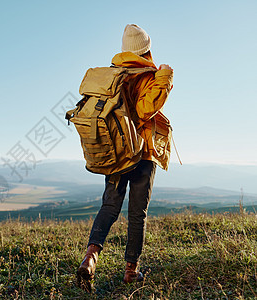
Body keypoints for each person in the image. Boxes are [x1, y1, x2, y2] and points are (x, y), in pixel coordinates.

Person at [76, 24, 174, 291]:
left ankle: (90, 258)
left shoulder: (114, 74)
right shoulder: (147, 75)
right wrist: (165, 77)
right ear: (147, 49)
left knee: (109, 207)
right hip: (142, 154)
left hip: (116, 153)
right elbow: (145, 111)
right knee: (137, 214)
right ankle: (131, 271)